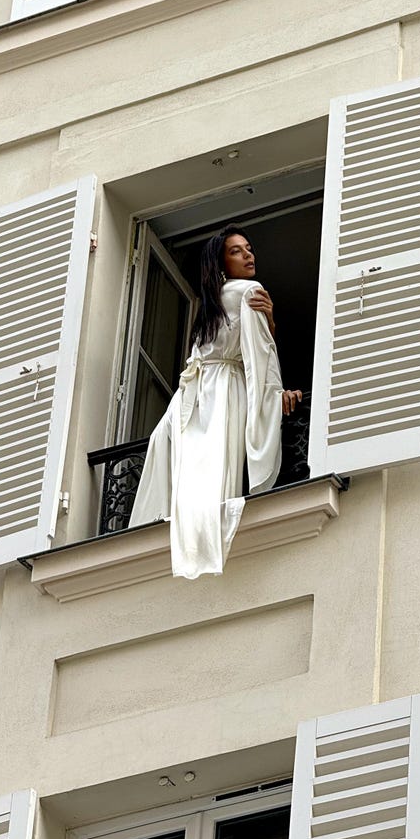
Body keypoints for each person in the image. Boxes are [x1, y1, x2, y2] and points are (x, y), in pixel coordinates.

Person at [128, 225, 302, 579]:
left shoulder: (212, 301)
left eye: (249, 248)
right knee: (212, 469)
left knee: (178, 456)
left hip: (194, 394)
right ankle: (204, 541)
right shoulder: (250, 291)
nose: (248, 254)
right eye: (237, 251)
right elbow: (258, 357)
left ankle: (157, 541)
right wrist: (274, 392)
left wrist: (268, 322)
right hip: (223, 389)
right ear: (222, 263)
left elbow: (245, 346)